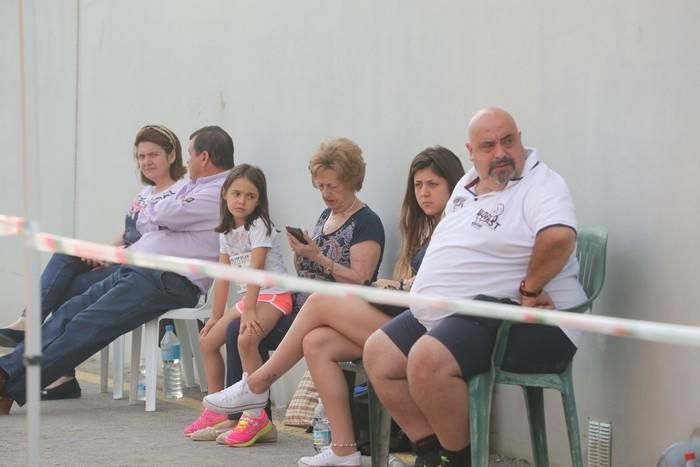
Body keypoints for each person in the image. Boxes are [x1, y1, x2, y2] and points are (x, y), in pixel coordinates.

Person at [202, 146, 466, 467]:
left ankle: (257, 384)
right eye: (418, 185)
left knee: (318, 302)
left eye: (433, 185)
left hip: (422, 326)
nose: (423, 193)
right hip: (390, 316)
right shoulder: (424, 227)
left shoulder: (439, 226)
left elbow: (365, 281)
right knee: (316, 342)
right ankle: (344, 450)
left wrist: (389, 283)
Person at [362, 108, 588, 467]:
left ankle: (461, 460)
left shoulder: (541, 185)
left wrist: (530, 291)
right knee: (378, 353)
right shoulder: (468, 184)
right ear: (471, 151)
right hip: (460, 313)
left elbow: (559, 237)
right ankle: (431, 454)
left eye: (508, 140)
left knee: (426, 360)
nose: (500, 152)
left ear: (520, 138)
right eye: (488, 145)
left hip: (528, 320)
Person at [0, 125, 235, 415]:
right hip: (140, 271)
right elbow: (148, 221)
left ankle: (7, 382)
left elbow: (157, 214)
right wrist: (158, 215)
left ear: (205, 156)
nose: (187, 161)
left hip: (168, 280)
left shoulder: (218, 191)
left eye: (189, 153)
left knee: (86, 325)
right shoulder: (193, 188)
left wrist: (159, 213)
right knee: (69, 313)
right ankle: (6, 376)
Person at [193, 137, 386, 450]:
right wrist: (305, 253)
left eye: (333, 187)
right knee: (235, 329)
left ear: (352, 181)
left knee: (247, 332)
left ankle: (252, 404)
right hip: (304, 304)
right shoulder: (326, 217)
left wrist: (319, 258)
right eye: (321, 186)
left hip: (340, 311)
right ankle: (250, 417)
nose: (326, 194)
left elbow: (361, 279)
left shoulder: (367, 222)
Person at [182, 164, 293, 446]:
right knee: (207, 341)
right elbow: (223, 276)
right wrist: (215, 316)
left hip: (273, 296)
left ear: (259, 201)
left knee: (246, 339)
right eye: (237, 193)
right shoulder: (227, 230)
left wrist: (252, 310)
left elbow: (256, 270)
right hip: (249, 299)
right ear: (225, 194)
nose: (242, 201)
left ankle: (256, 416)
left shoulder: (260, 227)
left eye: (250, 196)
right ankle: (217, 411)